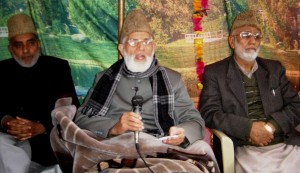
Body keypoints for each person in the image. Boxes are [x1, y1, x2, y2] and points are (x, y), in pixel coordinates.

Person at [72, 8, 219, 172]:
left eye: (147, 42)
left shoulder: (173, 79)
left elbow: (194, 120)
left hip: (163, 150)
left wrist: (182, 134)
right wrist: (114, 127)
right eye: (134, 42)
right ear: (122, 48)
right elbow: (81, 119)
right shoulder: (104, 79)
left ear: (154, 46)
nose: (141, 47)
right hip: (116, 150)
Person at [199, 10, 300, 173]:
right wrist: (248, 129)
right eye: (246, 35)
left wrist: (271, 127)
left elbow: (296, 106)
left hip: (284, 143)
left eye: (257, 36)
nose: (253, 40)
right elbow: (209, 112)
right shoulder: (215, 73)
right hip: (243, 146)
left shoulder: (274, 69)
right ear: (232, 41)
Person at [0, 13, 80, 173]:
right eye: (18, 45)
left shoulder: (58, 68)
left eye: (31, 43)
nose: (26, 50)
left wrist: (42, 126)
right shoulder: (1, 71)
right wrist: (6, 122)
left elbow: (73, 107)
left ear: (39, 44)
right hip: (10, 139)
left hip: (48, 136)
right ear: (11, 49)